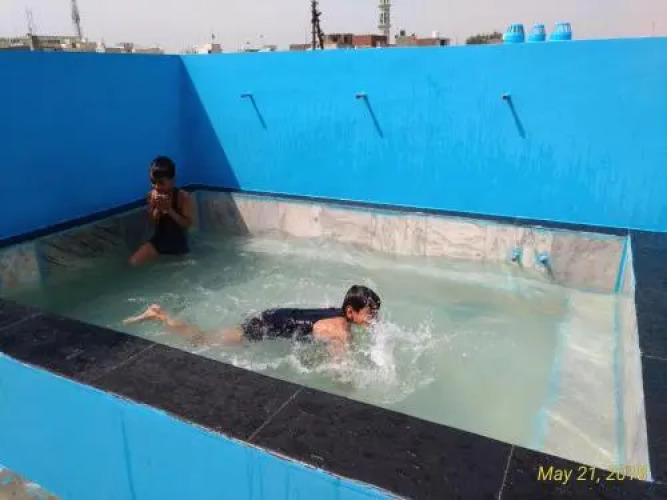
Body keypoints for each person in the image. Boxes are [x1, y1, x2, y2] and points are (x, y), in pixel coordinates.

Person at [124, 285, 381, 357]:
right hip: (267, 324)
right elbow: (339, 370)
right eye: (370, 313)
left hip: (274, 316)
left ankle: (161, 315)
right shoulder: (341, 329)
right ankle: (160, 315)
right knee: (202, 340)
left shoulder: (336, 313)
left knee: (210, 339)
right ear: (350, 312)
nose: (374, 319)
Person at [129, 156, 194, 267]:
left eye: (161, 183)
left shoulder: (182, 197)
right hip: (159, 242)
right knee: (133, 262)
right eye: (153, 182)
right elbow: (152, 222)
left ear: (172, 180)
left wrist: (169, 210)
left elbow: (187, 224)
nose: (157, 186)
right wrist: (157, 209)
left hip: (178, 244)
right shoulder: (152, 195)